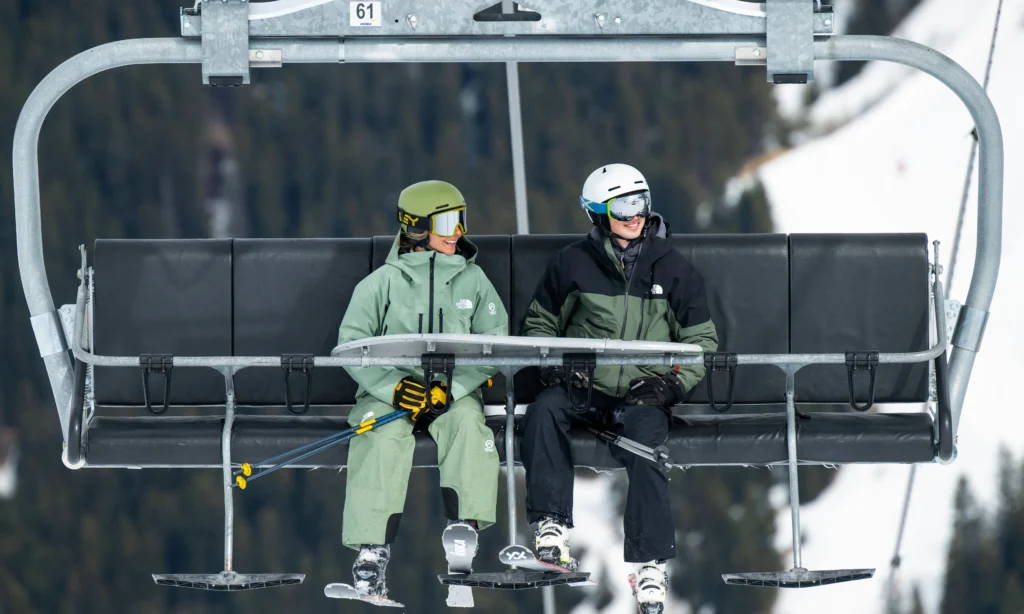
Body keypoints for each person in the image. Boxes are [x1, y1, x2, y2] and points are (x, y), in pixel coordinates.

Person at [519, 164, 719, 614]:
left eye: (641, 203)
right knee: (545, 410)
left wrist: (667, 387)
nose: (636, 215)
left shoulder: (673, 269)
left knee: (647, 444)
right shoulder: (573, 264)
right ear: (597, 213)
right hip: (584, 388)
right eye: (624, 205)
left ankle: (649, 563)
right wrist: (558, 371)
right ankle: (551, 524)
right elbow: (539, 326)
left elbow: (701, 344)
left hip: (642, 395)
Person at [337, 180, 508, 600]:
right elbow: (349, 345)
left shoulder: (474, 281)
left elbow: (496, 342)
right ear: (416, 227)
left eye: (461, 220)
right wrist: (393, 388)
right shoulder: (382, 283)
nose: (458, 232)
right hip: (388, 397)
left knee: (468, 426)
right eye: (448, 221)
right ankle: (371, 550)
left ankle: (463, 531)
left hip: (452, 396)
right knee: (378, 436)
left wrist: (454, 389)